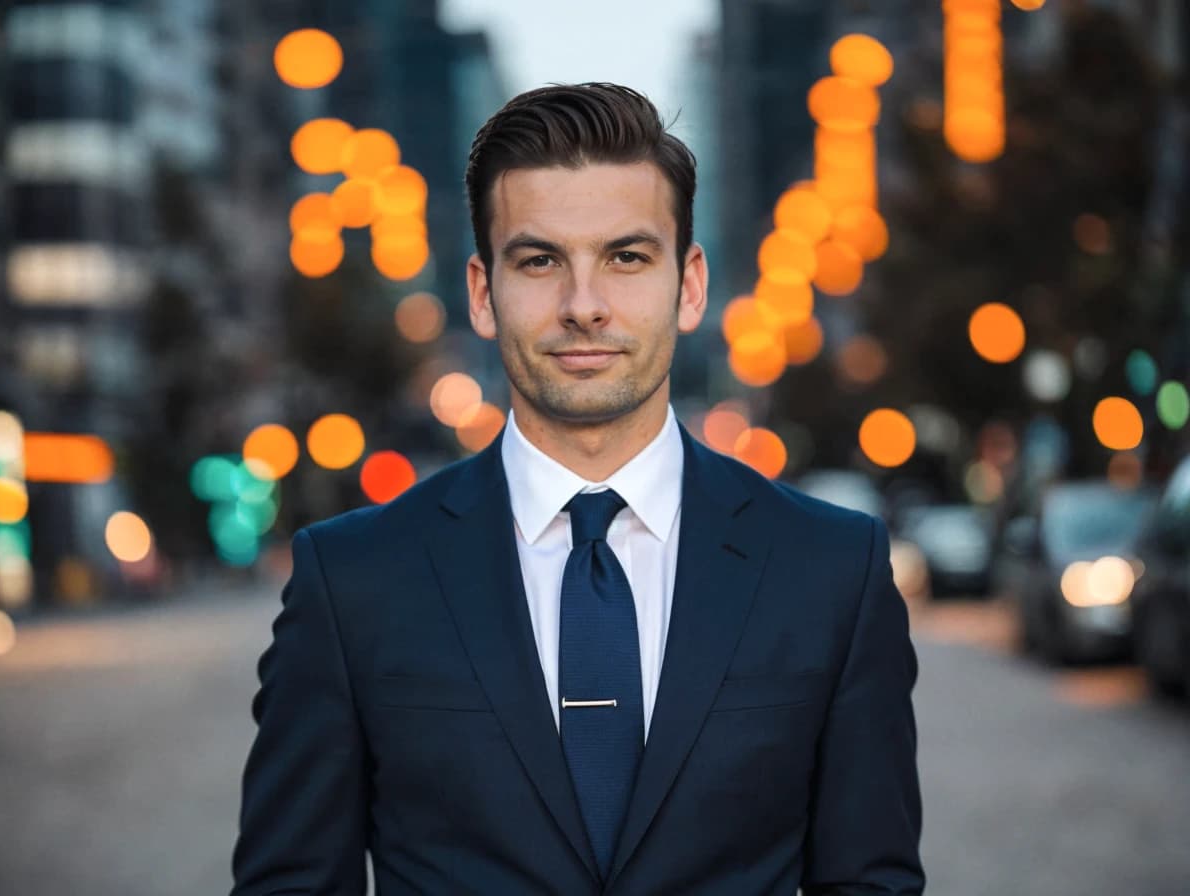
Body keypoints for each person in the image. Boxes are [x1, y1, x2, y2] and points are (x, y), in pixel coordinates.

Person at [231, 82, 924, 895]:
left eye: (627, 258)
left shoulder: (832, 570)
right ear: (484, 294)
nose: (584, 307)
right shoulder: (351, 580)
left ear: (690, 285)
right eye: (539, 261)